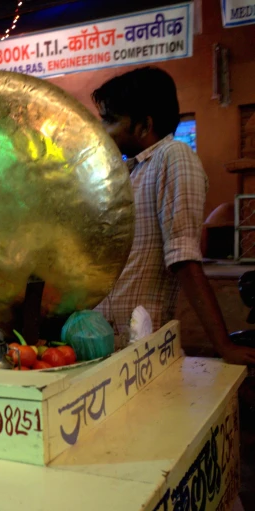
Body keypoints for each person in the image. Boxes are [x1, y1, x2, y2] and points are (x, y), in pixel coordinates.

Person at [92, 67, 255, 365]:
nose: (102, 129)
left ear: (144, 125)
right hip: (108, 346)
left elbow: (183, 258)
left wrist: (223, 345)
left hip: (142, 348)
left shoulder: (173, 156)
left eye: (110, 120)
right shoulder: (130, 171)